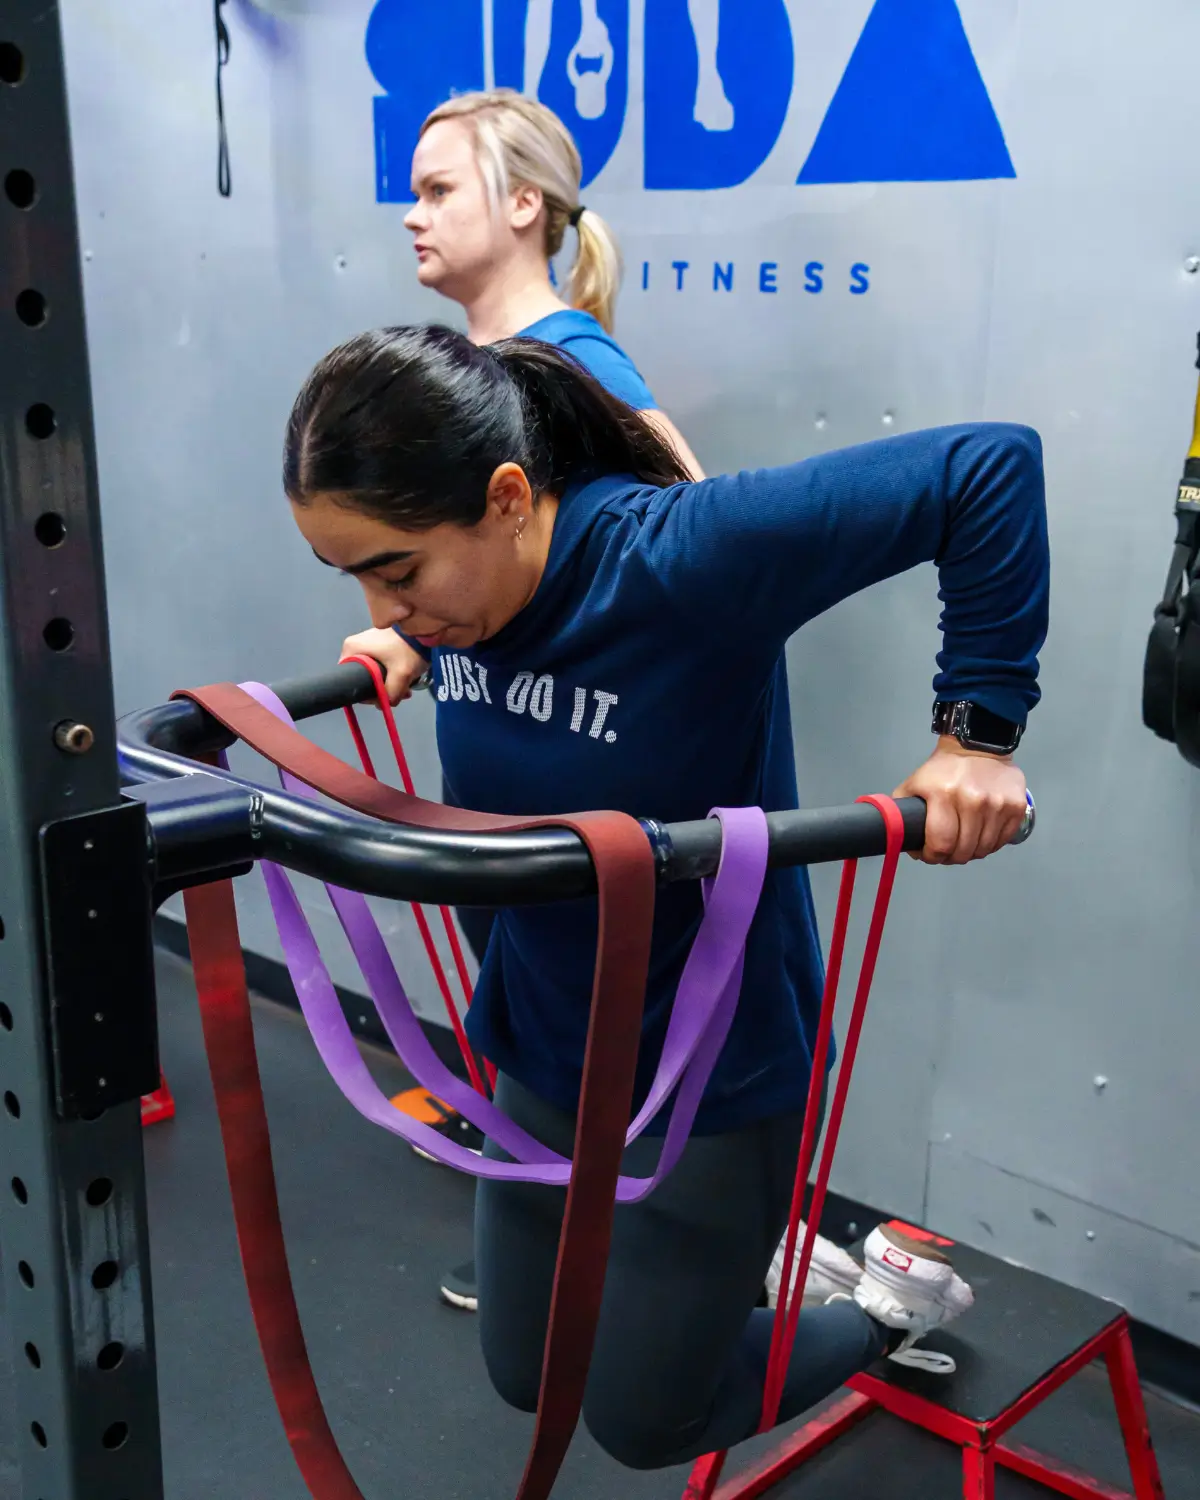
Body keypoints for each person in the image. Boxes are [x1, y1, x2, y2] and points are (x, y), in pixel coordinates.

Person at [284, 322, 1048, 1469]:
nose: (384, 605)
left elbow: (986, 469)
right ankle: (751, 1275)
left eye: (395, 569)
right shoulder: (461, 607)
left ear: (506, 499)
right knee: (525, 1372)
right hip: (545, 1043)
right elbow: (486, 660)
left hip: (709, 1075)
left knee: (648, 1423)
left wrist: (976, 738)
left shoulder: (677, 557)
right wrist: (416, 646)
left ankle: (885, 1311)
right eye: (353, 575)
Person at [341, 86, 703, 1314]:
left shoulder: (573, 368)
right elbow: (530, 597)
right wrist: (425, 642)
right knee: (533, 1058)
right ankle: (552, 1262)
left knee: (600, 1079)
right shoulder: (491, 376)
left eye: (439, 188)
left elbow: (691, 585)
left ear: (526, 204)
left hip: (584, 825)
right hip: (510, 809)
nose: (413, 213)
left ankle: (687, 1285)